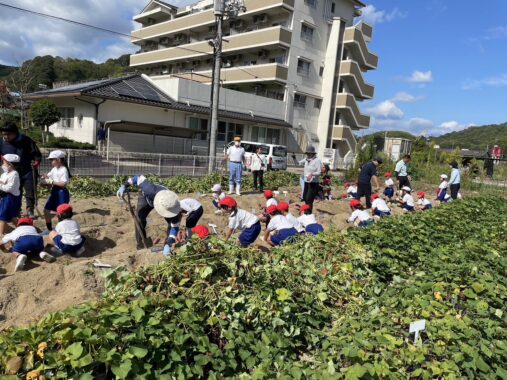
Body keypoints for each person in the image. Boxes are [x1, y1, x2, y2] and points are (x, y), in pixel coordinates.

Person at [117, 175, 175, 251]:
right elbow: (137, 178)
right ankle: (141, 244)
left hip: (164, 201)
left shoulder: (171, 201)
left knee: (171, 221)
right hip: (146, 199)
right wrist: (124, 186)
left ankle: (167, 244)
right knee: (139, 218)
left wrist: (170, 242)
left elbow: (175, 224)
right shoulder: (149, 189)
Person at [0, 122, 42, 218]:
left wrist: (36, 161)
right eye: (4, 134)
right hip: (11, 172)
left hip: (27, 170)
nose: (6, 136)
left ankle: (30, 209)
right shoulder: (1, 143)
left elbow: (36, 153)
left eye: (8, 134)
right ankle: (16, 210)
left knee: (30, 189)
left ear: (15, 133)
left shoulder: (25, 140)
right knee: (15, 191)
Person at [41, 150, 71, 233]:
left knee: (61, 213)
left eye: (52, 160)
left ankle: (61, 230)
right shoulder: (54, 169)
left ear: (59, 160)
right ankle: (49, 228)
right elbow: (48, 176)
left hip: (62, 193)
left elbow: (63, 184)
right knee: (46, 210)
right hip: (54, 191)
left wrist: (51, 182)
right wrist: (44, 177)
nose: (51, 162)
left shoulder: (63, 170)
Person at [0, 154, 22, 236]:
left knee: (2, 216)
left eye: (4, 162)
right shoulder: (5, 174)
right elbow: (2, 182)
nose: (2, 164)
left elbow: (9, 188)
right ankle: (21, 228)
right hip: (5, 197)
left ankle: (1, 234)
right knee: (12, 216)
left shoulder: (14, 174)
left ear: (10, 164)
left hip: (11, 198)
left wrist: (1, 185)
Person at [302, 146, 323, 211]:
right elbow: (298, 163)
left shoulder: (317, 161)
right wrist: (294, 158)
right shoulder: (306, 159)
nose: (307, 155)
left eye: (309, 153)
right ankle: (307, 210)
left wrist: (312, 174)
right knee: (305, 197)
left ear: (312, 153)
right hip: (306, 181)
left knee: (309, 198)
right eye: (307, 153)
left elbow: (319, 172)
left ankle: (309, 212)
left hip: (313, 182)